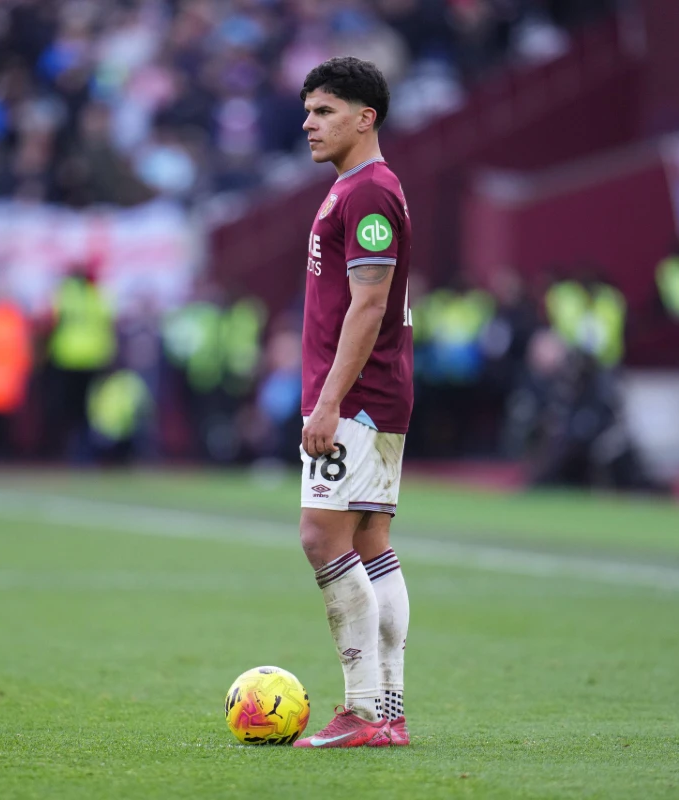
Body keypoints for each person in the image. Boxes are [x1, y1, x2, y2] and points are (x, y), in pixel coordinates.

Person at [293, 57, 412, 750]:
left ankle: (365, 712)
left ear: (365, 118)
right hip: (372, 394)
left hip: (358, 400)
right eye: (308, 112)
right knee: (369, 543)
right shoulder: (357, 188)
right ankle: (387, 713)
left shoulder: (367, 192)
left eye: (325, 111)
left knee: (321, 537)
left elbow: (369, 304)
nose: (310, 124)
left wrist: (329, 399)